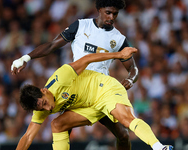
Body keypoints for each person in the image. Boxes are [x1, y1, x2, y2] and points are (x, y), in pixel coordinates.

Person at [11, 0, 138, 149]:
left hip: (100, 91)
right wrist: (26, 57)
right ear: (99, 10)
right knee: (62, 127)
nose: (111, 17)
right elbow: (52, 45)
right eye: (108, 13)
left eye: (115, 14)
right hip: (75, 87)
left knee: (123, 135)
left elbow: (133, 69)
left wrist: (131, 79)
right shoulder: (81, 26)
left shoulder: (119, 38)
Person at [14, 47, 173, 150]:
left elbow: (87, 59)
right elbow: (27, 137)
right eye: (42, 109)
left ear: (43, 91)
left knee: (125, 120)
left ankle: (158, 147)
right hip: (90, 106)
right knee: (57, 124)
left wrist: (119, 55)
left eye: (44, 103)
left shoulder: (61, 77)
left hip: (104, 89)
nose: (48, 109)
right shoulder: (40, 108)